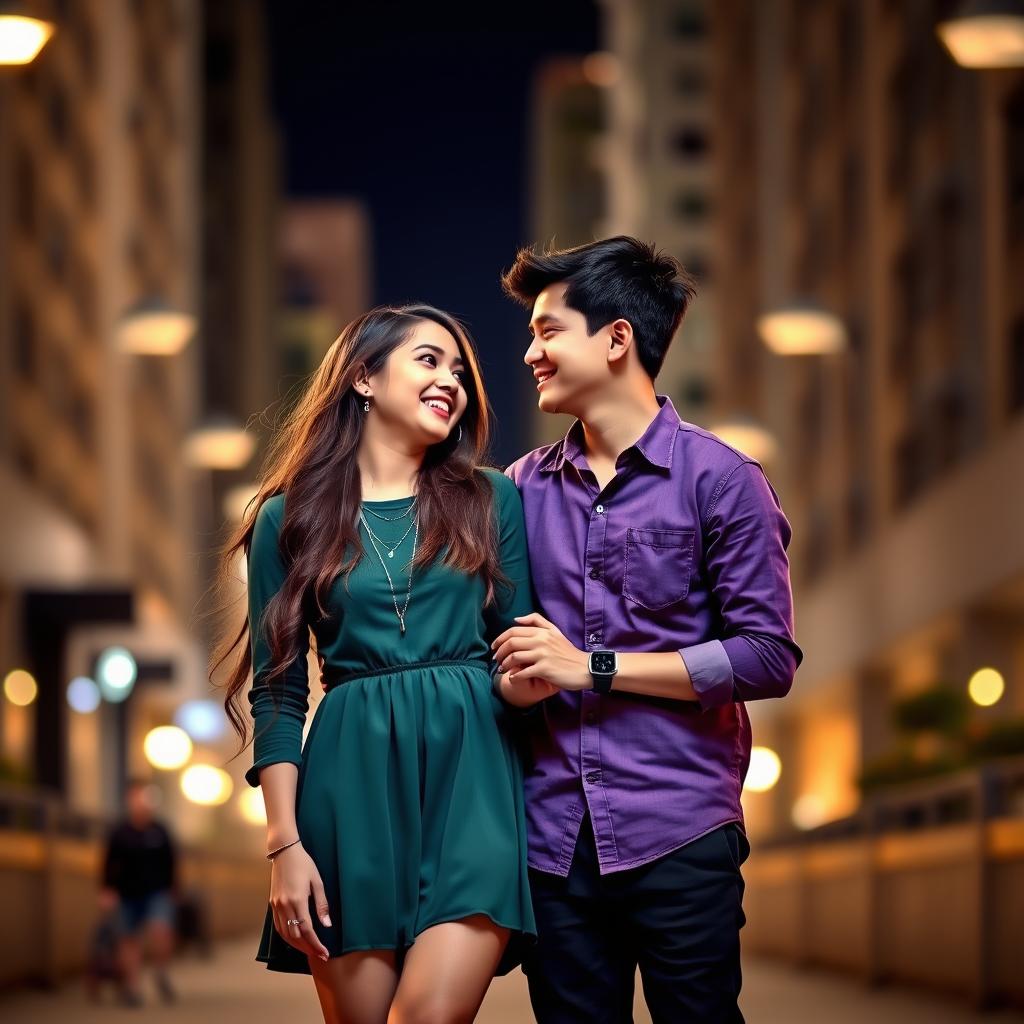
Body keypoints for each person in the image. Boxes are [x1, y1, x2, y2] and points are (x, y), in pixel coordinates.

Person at [490, 236, 802, 1023]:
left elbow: (766, 657)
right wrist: (514, 683)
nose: (530, 352)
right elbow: (497, 654)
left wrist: (591, 666)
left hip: (682, 830)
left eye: (548, 330)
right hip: (552, 843)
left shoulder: (722, 480)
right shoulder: (516, 493)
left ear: (617, 338)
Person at [216, 304, 536, 1024]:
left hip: (473, 784)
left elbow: (518, 647)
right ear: (363, 377)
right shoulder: (286, 519)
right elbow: (279, 693)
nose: (450, 380)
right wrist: (284, 846)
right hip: (347, 791)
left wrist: (532, 681)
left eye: (459, 370)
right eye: (428, 360)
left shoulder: (492, 499)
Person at [100, 779, 178, 1007]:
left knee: (160, 931)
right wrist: (107, 890)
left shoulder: (160, 831)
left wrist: (173, 889)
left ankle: (160, 970)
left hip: (158, 892)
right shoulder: (120, 833)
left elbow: (171, 862)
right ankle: (132, 986)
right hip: (127, 893)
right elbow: (108, 863)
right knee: (128, 939)